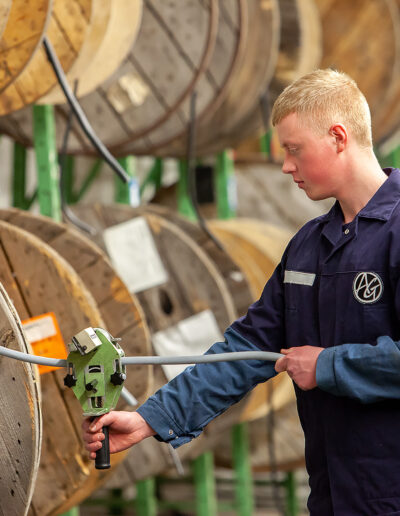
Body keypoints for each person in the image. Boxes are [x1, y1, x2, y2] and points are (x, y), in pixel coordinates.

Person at [82, 69, 400, 515]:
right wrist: (149, 419)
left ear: (338, 137)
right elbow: (247, 347)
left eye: (294, 150)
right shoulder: (309, 245)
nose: (286, 166)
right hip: (333, 496)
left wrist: (330, 365)